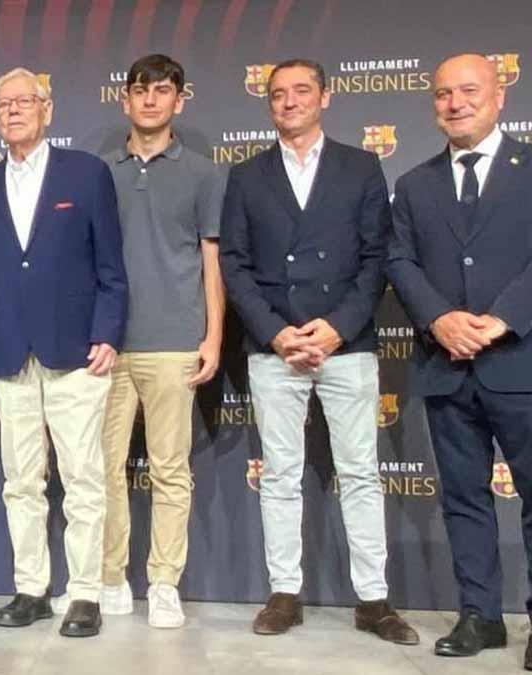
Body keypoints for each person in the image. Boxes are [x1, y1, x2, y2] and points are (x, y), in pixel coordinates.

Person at [219, 58, 417, 644]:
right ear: (269, 104)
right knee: (280, 475)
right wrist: (276, 331)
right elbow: (234, 262)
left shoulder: (360, 167)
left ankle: (373, 601)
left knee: (360, 472)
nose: (289, 102)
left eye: (301, 91)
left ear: (325, 98)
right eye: (278, 94)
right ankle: (284, 593)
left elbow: (375, 258)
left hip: (346, 344)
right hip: (273, 345)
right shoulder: (247, 175)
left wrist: (336, 327)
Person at [0, 67, 127, 638]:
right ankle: (30, 587)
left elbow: (110, 266)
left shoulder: (87, 173)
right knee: (20, 480)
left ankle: (84, 593)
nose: (13, 111)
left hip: (77, 350)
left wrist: (108, 332)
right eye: (3, 104)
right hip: (8, 353)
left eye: (24, 102)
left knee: (82, 477)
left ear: (47, 109)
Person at [387, 53, 532, 665]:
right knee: (464, 500)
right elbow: (398, 259)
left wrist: (502, 318)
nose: (455, 103)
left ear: (500, 95)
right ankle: (481, 616)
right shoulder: (414, 183)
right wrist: (440, 319)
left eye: (468, 90)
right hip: (446, 366)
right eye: (443, 94)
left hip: (520, 361)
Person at [97, 54, 225, 628]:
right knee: (102, 469)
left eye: (162, 90)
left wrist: (214, 335)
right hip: (107, 345)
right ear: (125, 99)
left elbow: (211, 260)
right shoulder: (99, 172)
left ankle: (164, 582)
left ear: (180, 99)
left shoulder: (204, 173)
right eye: (140, 90)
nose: (150, 100)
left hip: (175, 340)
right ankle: (110, 576)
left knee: (170, 468)